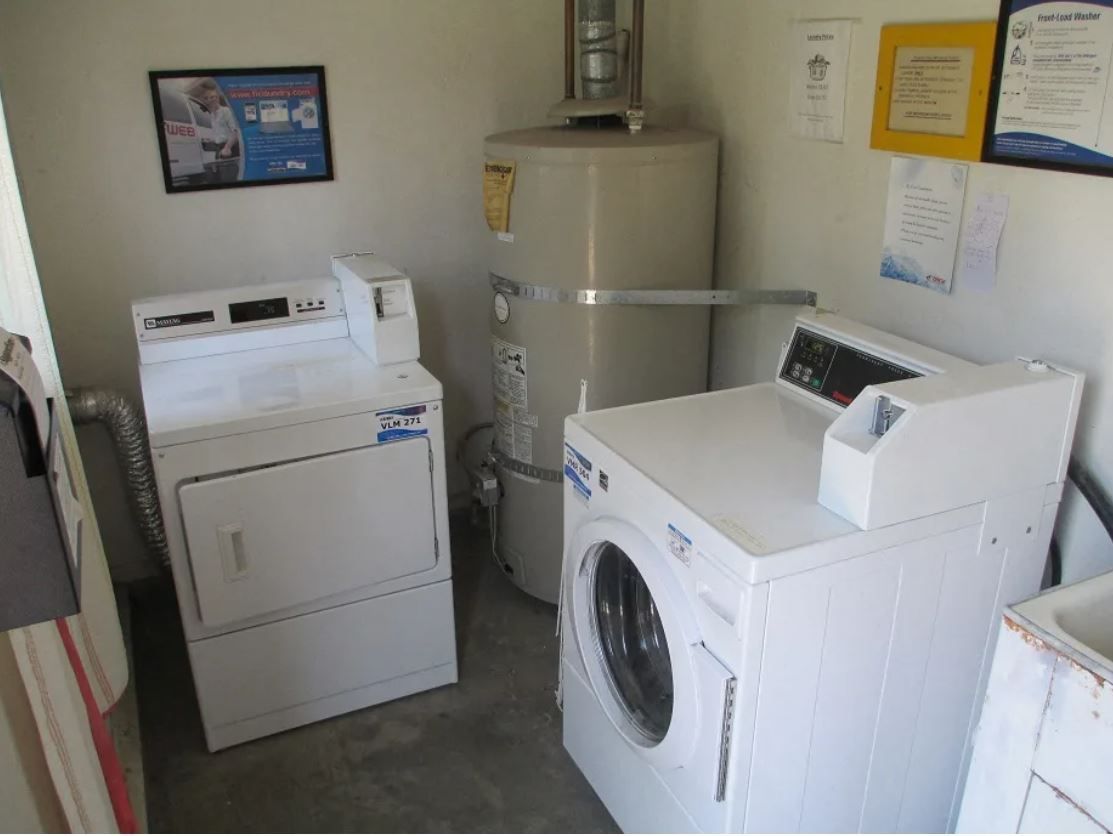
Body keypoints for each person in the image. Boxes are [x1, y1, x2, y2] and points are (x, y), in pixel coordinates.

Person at [197, 80, 240, 183]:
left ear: (218, 97)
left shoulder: (226, 111)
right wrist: (212, 140)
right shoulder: (211, 115)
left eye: (213, 97)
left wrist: (227, 147)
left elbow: (236, 131)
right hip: (219, 150)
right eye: (207, 98)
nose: (211, 100)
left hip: (230, 149)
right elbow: (220, 133)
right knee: (219, 180)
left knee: (229, 180)